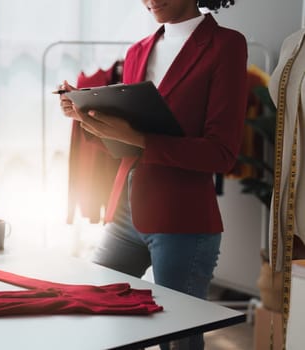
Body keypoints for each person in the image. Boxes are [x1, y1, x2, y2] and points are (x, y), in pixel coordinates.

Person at [59, 1, 247, 349]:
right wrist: (85, 118)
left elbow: (221, 153)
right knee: (93, 307)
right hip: (125, 212)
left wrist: (138, 138)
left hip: (183, 221)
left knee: (177, 340)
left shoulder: (226, 45)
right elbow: (127, 148)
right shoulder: (137, 52)